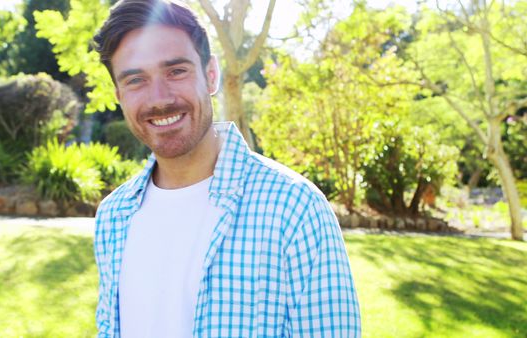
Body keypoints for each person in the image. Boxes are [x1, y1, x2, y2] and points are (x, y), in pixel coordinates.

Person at [93, 0, 361, 336]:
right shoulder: (113, 215)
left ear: (211, 75)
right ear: (119, 94)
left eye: (176, 71)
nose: (159, 98)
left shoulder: (294, 208)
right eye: (136, 80)